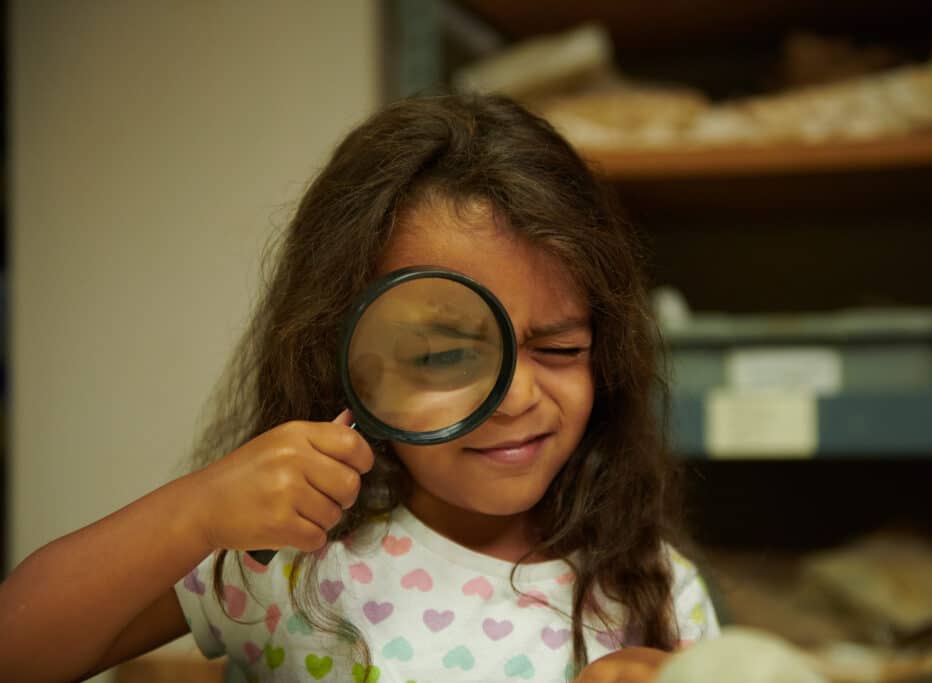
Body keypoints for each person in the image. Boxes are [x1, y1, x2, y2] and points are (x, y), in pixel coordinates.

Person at [0, 93, 718, 682]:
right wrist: (197, 514)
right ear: (346, 354)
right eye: (444, 356)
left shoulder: (653, 585)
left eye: (560, 346)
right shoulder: (283, 555)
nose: (515, 395)